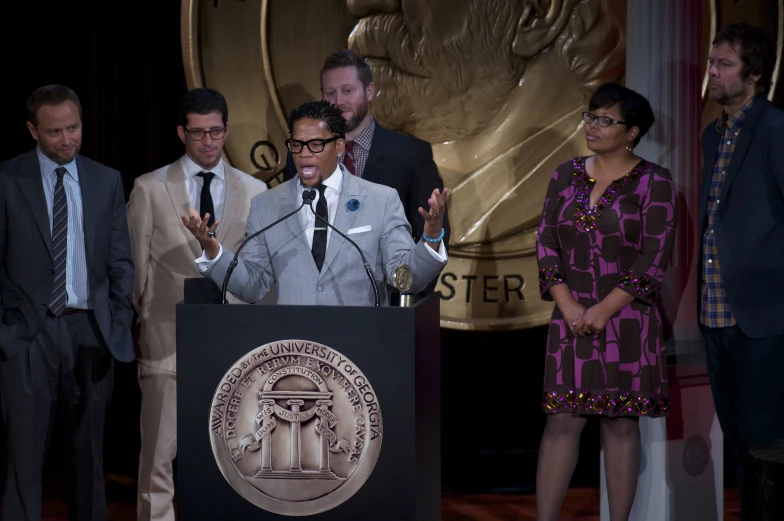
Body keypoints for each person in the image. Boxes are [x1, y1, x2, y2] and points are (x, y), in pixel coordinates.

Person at [535, 83, 676, 521]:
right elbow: (546, 243)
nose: (593, 126)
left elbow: (655, 255)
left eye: (605, 120)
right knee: (562, 421)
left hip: (627, 321)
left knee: (620, 423)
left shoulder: (656, 181)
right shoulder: (565, 173)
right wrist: (571, 306)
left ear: (632, 132)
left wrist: (602, 310)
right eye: (590, 116)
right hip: (570, 319)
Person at [127, 87, 267, 521]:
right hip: (166, 345)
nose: (208, 142)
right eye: (198, 133)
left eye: (215, 132)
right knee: (158, 463)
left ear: (226, 131)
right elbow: (135, 273)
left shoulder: (255, 190)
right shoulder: (149, 189)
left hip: (232, 348)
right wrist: (147, 324)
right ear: (181, 133)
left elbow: (257, 273)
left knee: (233, 458)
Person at [0, 85, 134, 521]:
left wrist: (116, 319)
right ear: (33, 130)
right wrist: (6, 330)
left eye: (73, 128)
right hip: (27, 335)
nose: (67, 139)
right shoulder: (8, 179)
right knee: (24, 463)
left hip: (89, 332)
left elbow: (120, 262)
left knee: (89, 462)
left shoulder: (106, 179)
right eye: (55, 131)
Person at [185, 100, 448, 305]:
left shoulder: (381, 200)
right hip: (294, 355)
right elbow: (253, 285)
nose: (304, 155)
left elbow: (404, 279)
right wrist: (212, 249)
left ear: (340, 147)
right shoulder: (267, 205)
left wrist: (431, 237)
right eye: (297, 145)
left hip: (360, 353)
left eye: (316, 144)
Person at [281, 49, 449, 298]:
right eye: (330, 93)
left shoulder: (410, 155)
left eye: (348, 91)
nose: (338, 101)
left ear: (369, 91)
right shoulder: (302, 155)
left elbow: (431, 237)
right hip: (313, 305)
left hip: (386, 309)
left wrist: (406, 300)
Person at [699, 23, 784, 518]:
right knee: (737, 438)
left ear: (752, 75)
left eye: (723, 65)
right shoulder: (714, 134)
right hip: (715, 315)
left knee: (766, 442)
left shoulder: (774, 128)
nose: (711, 73)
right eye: (711, 63)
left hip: (764, 317)